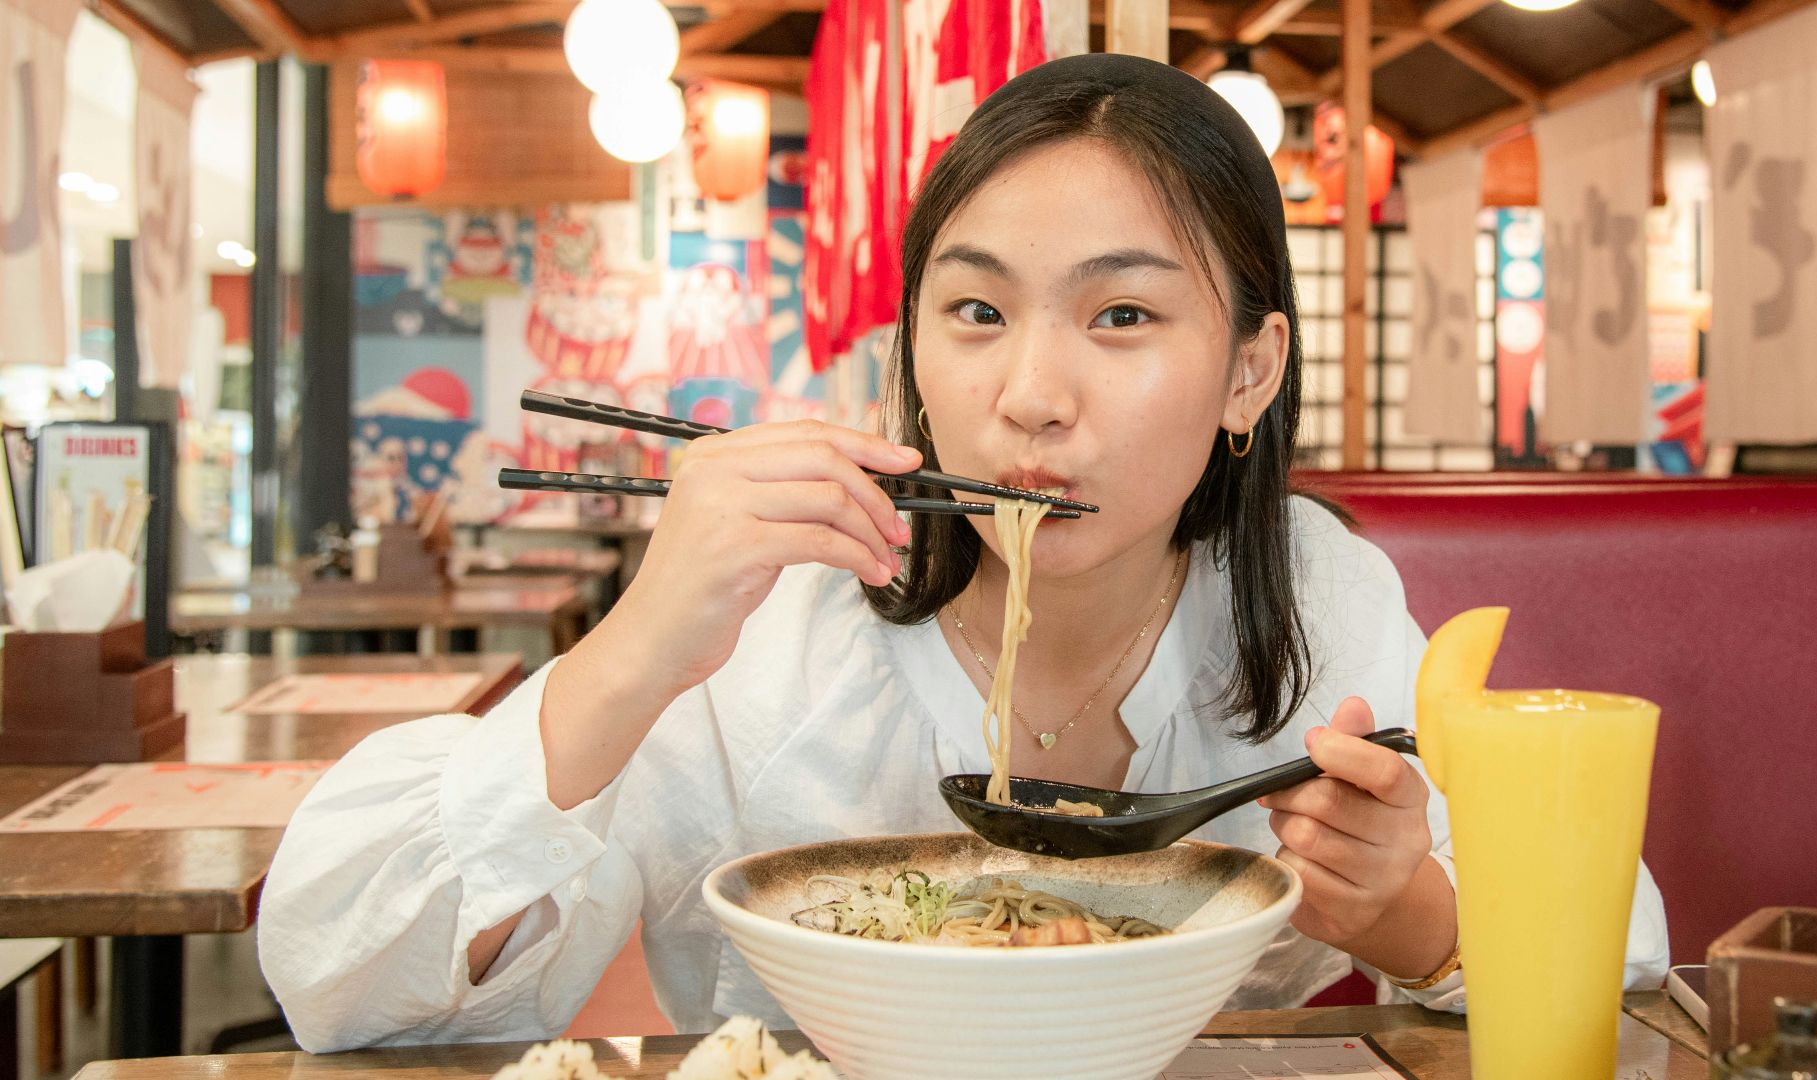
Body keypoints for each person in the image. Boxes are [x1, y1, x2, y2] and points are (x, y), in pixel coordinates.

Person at [259, 53, 1668, 1051]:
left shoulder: (1312, 602)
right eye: (977, 313)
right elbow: (349, 988)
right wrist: (632, 650)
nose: (1031, 397)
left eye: (1121, 317)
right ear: (915, 352)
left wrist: (1409, 914)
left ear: (1250, 373)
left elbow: (1625, 967)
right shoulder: (780, 627)